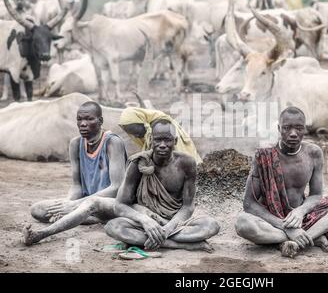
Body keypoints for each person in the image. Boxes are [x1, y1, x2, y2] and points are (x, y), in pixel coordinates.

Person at [234, 106, 328, 258]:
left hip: (305, 217)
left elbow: (316, 195)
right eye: (287, 128)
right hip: (272, 221)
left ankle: (299, 239)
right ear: (279, 128)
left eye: (298, 128)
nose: (293, 134)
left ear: (305, 129)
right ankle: (307, 237)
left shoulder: (313, 153)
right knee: (242, 222)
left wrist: (300, 211)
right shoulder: (263, 155)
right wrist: (286, 227)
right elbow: (249, 204)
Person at [105, 119, 220, 257]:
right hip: (146, 223)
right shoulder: (138, 164)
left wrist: (166, 230)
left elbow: (187, 207)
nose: (162, 145)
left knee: (211, 225)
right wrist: (144, 220)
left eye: (167, 140)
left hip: (175, 223)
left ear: (175, 141)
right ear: (150, 140)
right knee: (113, 227)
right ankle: (179, 244)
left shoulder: (187, 163)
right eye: (158, 140)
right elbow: (120, 205)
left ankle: (149, 240)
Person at [23, 101, 127, 245]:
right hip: (83, 203)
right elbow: (77, 185)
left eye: (89, 119)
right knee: (37, 209)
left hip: (108, 203)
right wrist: (67, 203)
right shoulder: (75, 144)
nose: (83, 123)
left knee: (89, 206)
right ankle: (82, 217)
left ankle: (41, 234)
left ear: (100, 121)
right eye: (79, 119)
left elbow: (117, 187)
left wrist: (75, 205)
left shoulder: (112, 143)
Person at [118, 107, 202, 164]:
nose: (136, 136)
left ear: (141, 122)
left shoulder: (161, 126)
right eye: (132, 134)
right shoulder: (148, 128)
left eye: (135, 131)